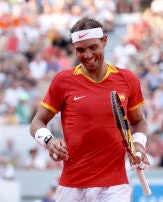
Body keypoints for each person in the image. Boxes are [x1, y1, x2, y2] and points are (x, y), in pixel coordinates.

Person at [29, 16, 150, 202]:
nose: (87, 55)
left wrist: (139, 145)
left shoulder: (127, 79)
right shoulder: (63, 81)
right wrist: (48, 140)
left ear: (105, 41)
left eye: (93, 47)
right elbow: (37, 123)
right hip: (72, 184)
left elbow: (139, 121)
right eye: (80, 50)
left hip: (115, 185)